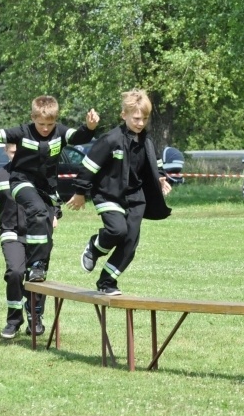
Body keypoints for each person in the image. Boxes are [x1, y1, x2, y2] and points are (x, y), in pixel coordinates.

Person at [0, 96, 99, 284]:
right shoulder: (22, 132)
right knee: (38, 209)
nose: (45, 128)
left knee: (44, 224)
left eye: (50, 124)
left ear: (56, 120)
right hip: (21, 181)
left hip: (46, 189)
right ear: (32, 117)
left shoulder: (60, 132)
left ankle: (38, 274)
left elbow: (79, 137)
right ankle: (36, 264)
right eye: (41, 123)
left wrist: (90, 127)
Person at [67, 89, 172, 296]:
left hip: (136, 198)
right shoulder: (110, 139)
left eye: (144, 119)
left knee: (130, 243)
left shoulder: (147, 141)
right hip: (108, 195)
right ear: (124, 115)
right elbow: (88, 166)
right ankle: (94, 247)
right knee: (117, 231)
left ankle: (107, 281)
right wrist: (80, 193)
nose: (140, 123)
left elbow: (155, 164)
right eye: (136, 118)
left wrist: (160, 178)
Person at [0, 143, 59, 338]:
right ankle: (13, 321)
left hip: (39, 236)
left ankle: (36, 319)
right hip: (11, 232)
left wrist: (55, 214)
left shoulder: (41, 174)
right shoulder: (0, 175)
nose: (17, 156)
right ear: (6, 151)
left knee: (37, 277)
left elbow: (54, 199)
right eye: (13, 152)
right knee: (15, 272)